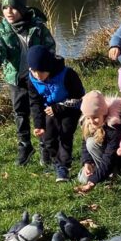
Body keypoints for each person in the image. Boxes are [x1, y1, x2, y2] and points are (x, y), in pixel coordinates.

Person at [0, 0, 55, 166]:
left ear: (23, 8)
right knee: (20, 112)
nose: (8, 12)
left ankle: (45, 147)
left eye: (13, 7)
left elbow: (50, 48)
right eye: (5, 7)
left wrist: (49, 69)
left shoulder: (38, 27)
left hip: (38, 78)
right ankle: (25, 147)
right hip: (16, 79)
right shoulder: (1, 29)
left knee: (40, 111)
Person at [26, 46, 85, 182]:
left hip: (70, 109)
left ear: (49, 67)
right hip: (49, 110)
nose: (37, 76)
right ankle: (55, 159)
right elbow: (35, 103)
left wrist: (58, 108)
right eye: (34, 71)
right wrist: (38, 125)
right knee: (48, 138)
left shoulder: (68, 74)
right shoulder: (32, 80)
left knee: (65, 134)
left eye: (41, 72)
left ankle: (63, 167)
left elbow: (79, 98)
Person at [77, 90, 121, 191]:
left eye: (95, 117)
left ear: (104, 113)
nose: (92, 121)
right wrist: (87, 162)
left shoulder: (114, 128)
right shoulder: (88, 124)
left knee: (91, 143)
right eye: (88, 118)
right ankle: (98, 172)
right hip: (101, 158)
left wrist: (92, 182)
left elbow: (110, 156)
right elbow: (84, 144)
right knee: (82, 178)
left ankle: (111, 174)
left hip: (116, 161)